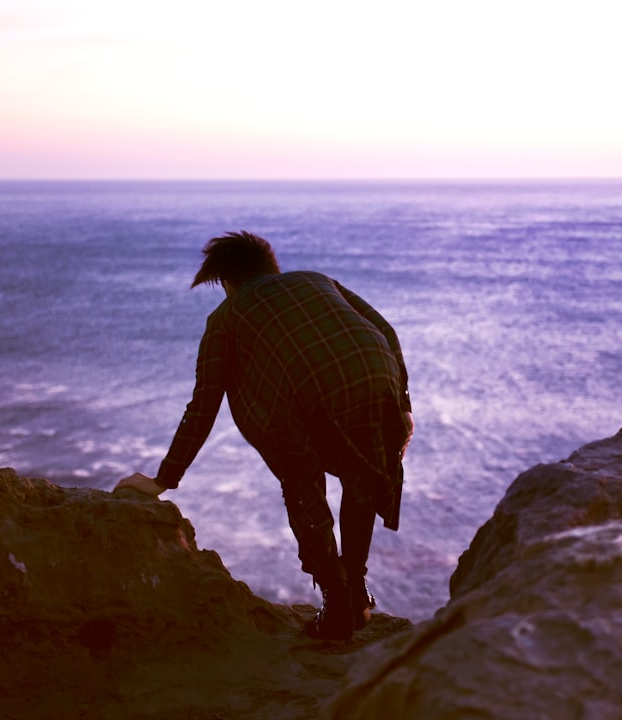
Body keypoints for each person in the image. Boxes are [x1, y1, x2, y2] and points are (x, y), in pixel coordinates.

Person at [116, 231, 413, 642]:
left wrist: (164, 479)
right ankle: (357, 591)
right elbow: (384, 329)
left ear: (226, 281)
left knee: (303, 487)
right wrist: (403, 403)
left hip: (303, 402)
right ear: (272, 265)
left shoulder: (226, 318)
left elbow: (203, 407)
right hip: (375, 377)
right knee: (359, 475)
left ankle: (338, 605)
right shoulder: (316, 279)